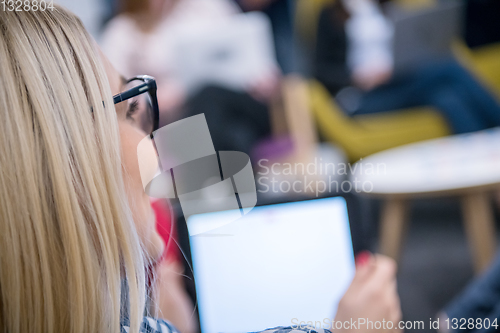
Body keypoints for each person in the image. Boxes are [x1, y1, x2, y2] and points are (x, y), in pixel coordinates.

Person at [0, 6, 401, 333]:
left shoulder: (207, 8)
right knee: (195, 115)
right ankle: (221, 222)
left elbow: (251, 60)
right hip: (184, 120)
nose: (144, 136)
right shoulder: (123, 32)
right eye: (132, 107)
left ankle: (218, 224)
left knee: (210, 103)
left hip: (229, 109)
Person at [100, 0, 279, 156]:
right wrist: (154, 99)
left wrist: (265, 78)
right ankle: (229, 182)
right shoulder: (123, 31)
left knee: (210, 97)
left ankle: (210, 182)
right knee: (233, 131)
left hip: (239, 99)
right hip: (177, 116)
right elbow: (115, 95)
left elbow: (255, 54)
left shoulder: (209, 7)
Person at [314, 0, 500, 134]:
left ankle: (483, 173)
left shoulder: (386, 5)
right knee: (449, 68)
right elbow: (320, 70)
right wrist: (359, 77)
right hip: (362, 97)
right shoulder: (330, 15)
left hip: (398, 81)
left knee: (448, 98)